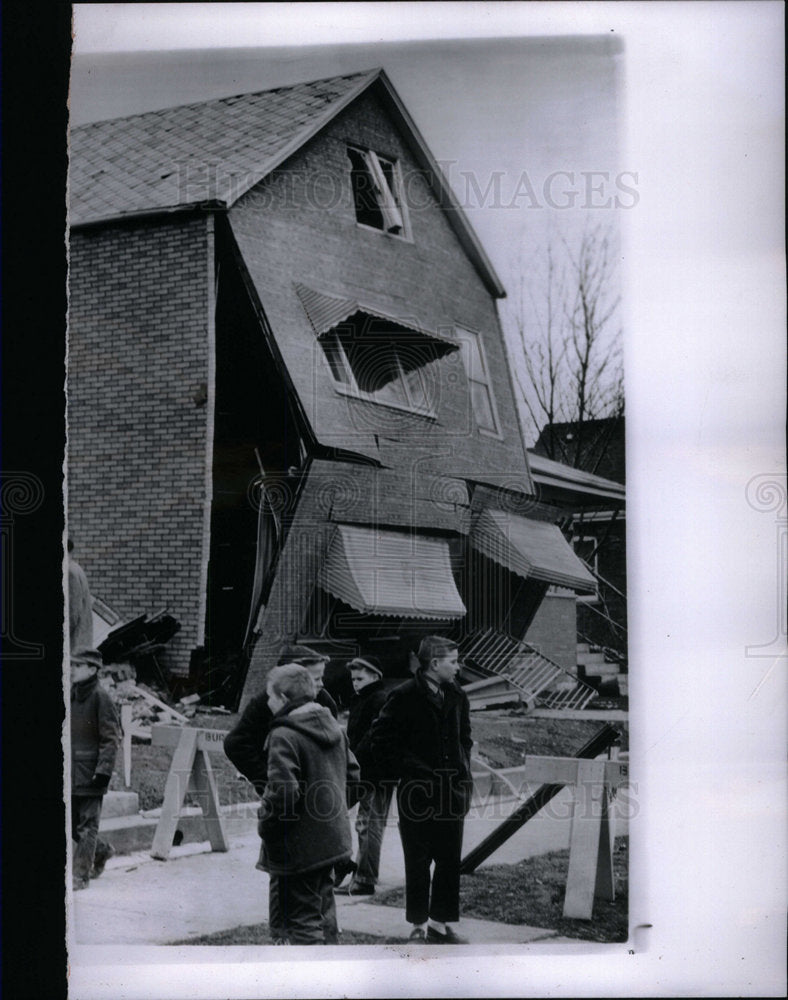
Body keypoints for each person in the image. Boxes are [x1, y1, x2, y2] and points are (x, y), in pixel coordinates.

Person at [369, 635, 473, 944]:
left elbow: (464, 739)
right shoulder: (403, 696)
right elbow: (381, 740)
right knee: (417, 861)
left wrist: (463, 779)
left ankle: (439, 925)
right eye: (453, 661)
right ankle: (417, 925)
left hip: (451, 793)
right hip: (417, 796)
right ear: (435, 663)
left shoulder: (457, 695)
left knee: (449, 860)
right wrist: (410, 771)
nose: (458, 667)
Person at [258, 663, 360, 945]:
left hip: (299, 848)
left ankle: (311, 980)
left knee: (302, 919)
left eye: (269, 696)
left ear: (283, 698)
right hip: (333, 841)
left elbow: (283, 793)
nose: (267, 702)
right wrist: (329, 812)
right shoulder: (335, 728)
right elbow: (354, 778)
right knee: (323, 909)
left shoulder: (284, 734)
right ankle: (330, 974)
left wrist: (266, 823)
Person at [224, 644, 338, 795]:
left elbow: (333, 747)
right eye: (315, 679)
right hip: (282, 784)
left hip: (317, 787)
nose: (321, 684)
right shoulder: (266, 702)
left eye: (321, 678)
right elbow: (237, 743)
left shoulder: (325, 703)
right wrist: (267, 781)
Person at [335, 655, 392, 896]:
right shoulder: (366, 698)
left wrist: (352, 760)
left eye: (360, 678)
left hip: (374, 773)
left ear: (375, 677)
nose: (355, 683)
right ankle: (357, 873)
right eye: (353, 679)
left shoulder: (379, 699)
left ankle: (365, 878)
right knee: (362, 824)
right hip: (363, 771)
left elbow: (373, 737)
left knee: (368, 825)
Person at [70, 648, 121, 891]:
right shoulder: (71, 695)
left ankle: (81, 875)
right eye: (72, 665)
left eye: (77, 666)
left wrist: (103, 772)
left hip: (91, 774)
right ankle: (101, 851)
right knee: (72, 826)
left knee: (87, 825)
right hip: (71, 773)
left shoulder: (102, 698)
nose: (72, 670)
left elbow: (111, 739)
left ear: (92, 670)